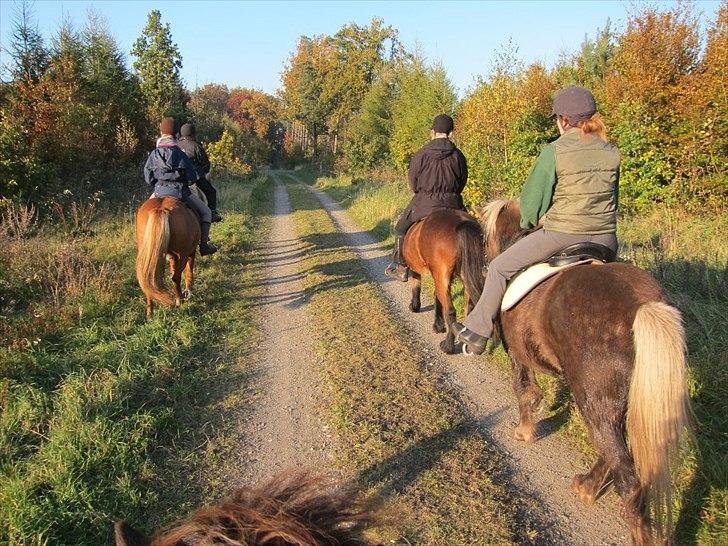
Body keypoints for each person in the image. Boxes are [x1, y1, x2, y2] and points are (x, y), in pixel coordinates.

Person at [455, 85, 620, 355]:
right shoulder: (611, 151)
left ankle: (477, 330)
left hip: (561, 234)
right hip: (606, 240)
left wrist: (532, 222)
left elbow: (530, 210)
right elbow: (614, 199)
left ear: (564, 120)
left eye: (557, 119)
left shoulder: (553, 151)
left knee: (498, 267)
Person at [385, 114, 468, 282]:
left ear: (433, 132)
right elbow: (462, 180)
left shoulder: (421, 154)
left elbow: (413, 182)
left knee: (401, 228)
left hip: (424, 203)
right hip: (453, 204)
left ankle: (400, 266)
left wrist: (422, 192)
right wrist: (452, 193)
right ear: (451, 133)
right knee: (474, 230)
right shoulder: (458, 155)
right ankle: (481, 265)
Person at [144, 117, 219, 256]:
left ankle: (143, 244)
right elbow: (191, 178)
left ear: (161, 132)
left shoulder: (154, 153)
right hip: (180, 192)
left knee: (144, 212)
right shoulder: (180, 154)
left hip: (159, 191)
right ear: (176, 133)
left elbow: (148, 178)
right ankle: (203, 246)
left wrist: (159, 185)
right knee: (206, 212)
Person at [177, 122, 223, 223]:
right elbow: (206, 165)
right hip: (195, 179)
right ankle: (212, 213)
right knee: (211, 192)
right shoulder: (196, 146)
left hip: (177, 179)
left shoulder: (176, 145)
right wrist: (204, 172)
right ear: (192, 133)